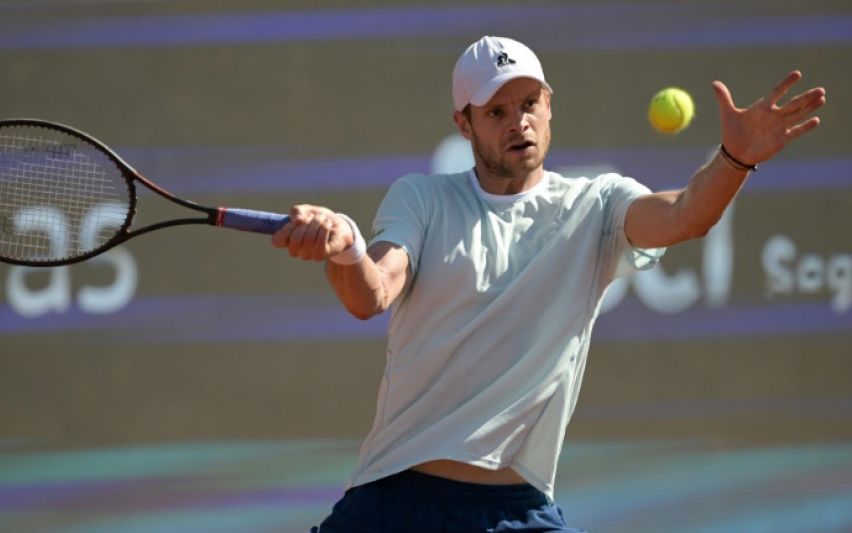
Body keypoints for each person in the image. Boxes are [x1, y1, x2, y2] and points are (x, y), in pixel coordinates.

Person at [271, 36, 826, 533]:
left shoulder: (598, 203)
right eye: (497, 111)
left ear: (550, 105)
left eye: (530, 104)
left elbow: (686, 216)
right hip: (397, 502)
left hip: (518, 509)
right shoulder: (422, 198)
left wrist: (735, 160)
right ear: (464, 124)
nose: (519, 123)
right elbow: (372, 294)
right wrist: (345, 251)